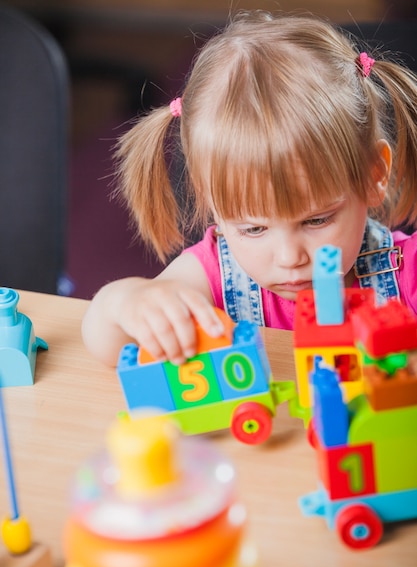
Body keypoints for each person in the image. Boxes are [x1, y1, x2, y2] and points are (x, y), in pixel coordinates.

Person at [82, 10, 417, 368]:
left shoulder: (405, 272)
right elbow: (110, 344)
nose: (290, 257)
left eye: (317, 220)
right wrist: (125, 303)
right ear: (210, 200)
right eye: (254, 228)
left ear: (374, 175)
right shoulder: (210, 277)